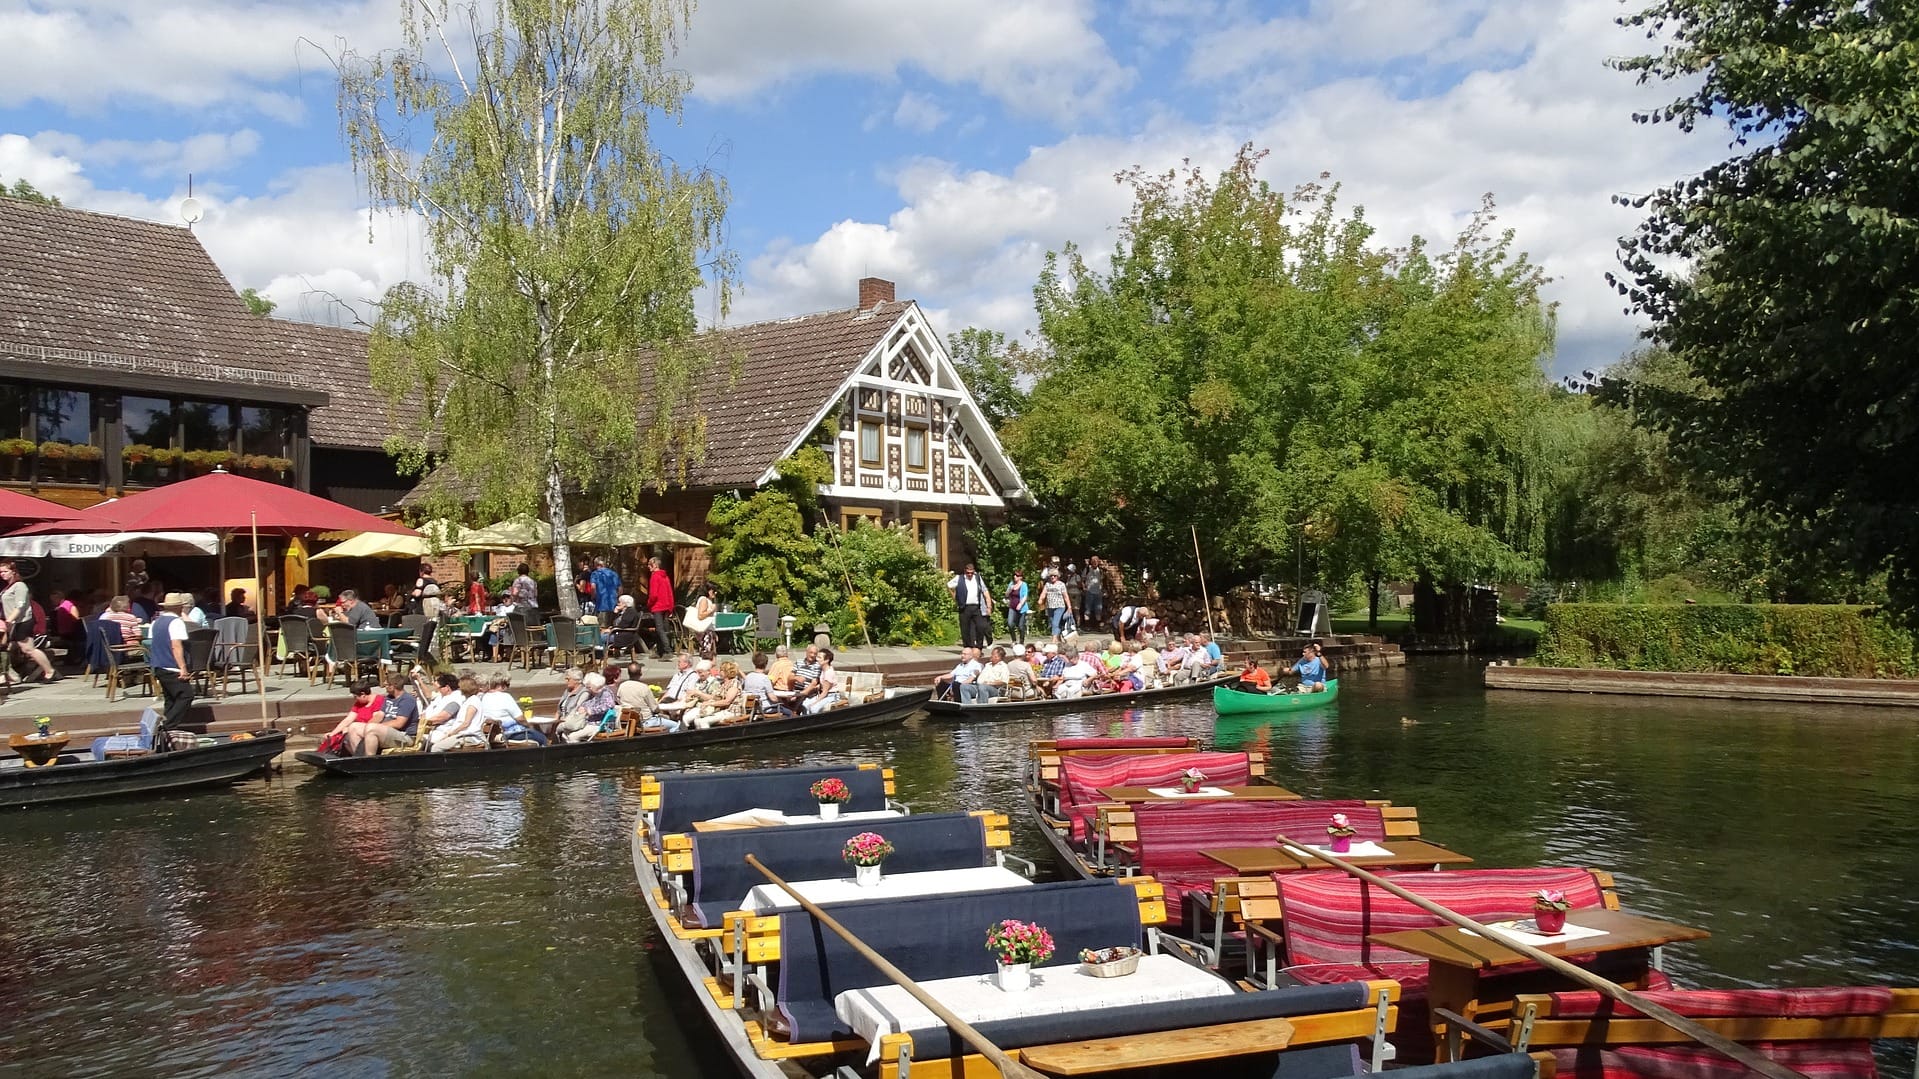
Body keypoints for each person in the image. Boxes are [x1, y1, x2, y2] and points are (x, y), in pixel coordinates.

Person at [140, 591, 194, 730]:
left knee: (170, 699)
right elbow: (176, 646)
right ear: (177, 607)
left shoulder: (156, 622)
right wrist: (183, 667)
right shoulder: (176, 622)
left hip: (158, 665)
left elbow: (153, 642)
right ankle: (168, 726)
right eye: (181, 606)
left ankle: (167, 728)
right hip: (171, 666)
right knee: (186, 695)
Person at [0, 560, 58, 683]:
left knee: (28, 649)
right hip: (13, 623)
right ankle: (8, 674)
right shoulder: (9, 586)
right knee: (8, 648)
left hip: (22, 622)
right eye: (1, 572)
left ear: (13, 572)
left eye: (5, 571)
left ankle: (49, 671)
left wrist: (9, 620)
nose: (2, 574)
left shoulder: (20, 586)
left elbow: (20, 606)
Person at [358, 672, 421, 755]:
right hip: (387, 732)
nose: (384, 685)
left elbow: (399, 723)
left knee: (372, 729)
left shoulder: (407, 700)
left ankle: (369, 762)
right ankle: (357, 759)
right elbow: (379, 715)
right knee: (354, 727)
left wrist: (376, 727)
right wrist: (367, 726)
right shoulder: (389, 697)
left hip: (404, 736)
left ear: (392, 686)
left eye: (386, 684)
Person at [421, 672, 481, 751]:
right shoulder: (467, 700)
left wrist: (451, 733)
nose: (458, 689)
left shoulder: (473, 701)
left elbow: (466, 723)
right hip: (458, 733)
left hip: (468, 735)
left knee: (435, 747)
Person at [559, 671, 618, 743]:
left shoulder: (605, 693)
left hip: (599, 724)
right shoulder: (593, 694)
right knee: (564, 731)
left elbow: (609, 705)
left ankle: (578, 753)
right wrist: (583, 707)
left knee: (573, 736)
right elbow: (587, 703)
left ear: (596, 685)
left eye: (589, 686)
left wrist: (590, 710)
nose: (587, 689)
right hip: (589, 722)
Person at [948, 563, 992, 650]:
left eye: (971, 573)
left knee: (981, 626)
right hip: (964, 607)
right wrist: (955, 597)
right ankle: (968, 648)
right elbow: (949, 586)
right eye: (968, 573)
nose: (970, 575)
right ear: (965, 571)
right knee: (965, 629)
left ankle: (979, 648)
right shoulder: (959, 578)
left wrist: (989, 606)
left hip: (976, 607)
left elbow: (985, 591)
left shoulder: (978, 578)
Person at [645, 556, 675, 658]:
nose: (648, 567)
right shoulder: (665, 577)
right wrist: (671, 606)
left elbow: (653, 594)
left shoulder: (655, 576)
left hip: (658, 606)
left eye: (650, 564)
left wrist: (649, 604)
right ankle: (659, 651)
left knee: (659, 629)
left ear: (655, 565)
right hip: (666, 606)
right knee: (662, 628)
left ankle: (667, 650)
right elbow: (670, 592)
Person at [685, 582, 720, 660]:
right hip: (705, 631)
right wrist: (711, 610)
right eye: (713, 590)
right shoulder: (704, 600)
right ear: (708, 591)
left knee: (710, 653)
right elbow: (700, 615)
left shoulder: (708, 600)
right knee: (707, 653)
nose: (715, 592)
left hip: (708, 630)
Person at [802, 648, 843, 713]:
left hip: (831, 696)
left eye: (819, 657)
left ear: (826, 660)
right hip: (824, 694)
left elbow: (825, 692)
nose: (817, 659)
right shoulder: (823, 669)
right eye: (817, 657)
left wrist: (815, 702)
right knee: (805, 704)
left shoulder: (828, 673)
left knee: (814, 708)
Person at [1040, 568, 1072, 642]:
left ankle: (1053, 641)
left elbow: (1066, 596)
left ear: (1057, 576)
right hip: (1050, 607)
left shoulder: (1061, 585)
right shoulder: (1047, 585)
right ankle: (1059, 638)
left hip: (1060, 606)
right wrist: (1040, 600)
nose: (1052, 577)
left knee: (1055, 623)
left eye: (1054, 576)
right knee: (1053, 623)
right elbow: (1043, 593)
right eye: (1051, 576)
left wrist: (1069, 607)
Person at [1004, 570, 1029, 646]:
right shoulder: (1011, 584)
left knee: (1021, 626)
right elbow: (1006, 595)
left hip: (1021, 608)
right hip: (1012, 606)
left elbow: (1025, 596)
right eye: (1014, 575)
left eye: (1017, 576)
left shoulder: (1024, 585)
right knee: (1010, 623)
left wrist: (1020, 604)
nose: (1015, 577)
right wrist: (1010, 589)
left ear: (1020, 577)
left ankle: (1021, 641)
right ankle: (1014, 640)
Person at [1081, 557, 1106, 626]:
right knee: (1088, 609)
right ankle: (1087, 625)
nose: (1095, 562)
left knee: (1098, 609)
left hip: (1098, 592)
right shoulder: (1087, 569)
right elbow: (1082, 579)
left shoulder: (1100, 570)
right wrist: (1084, 588)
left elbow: (1102, 580)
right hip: (1089, 591)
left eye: (1096, 561)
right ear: (1091, 562)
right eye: (1093, 561)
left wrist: (1102, 589)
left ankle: (1098, 625)